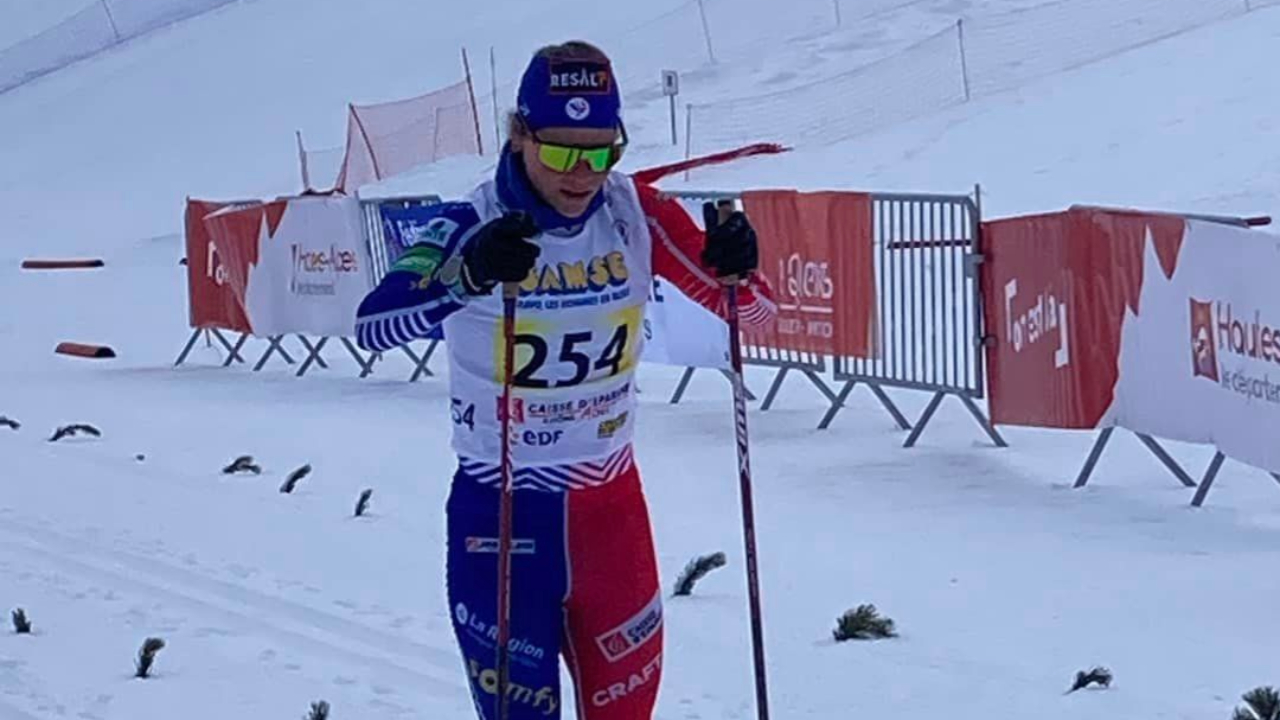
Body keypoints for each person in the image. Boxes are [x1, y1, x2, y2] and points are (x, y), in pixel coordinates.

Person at [354, 40, 775, 720]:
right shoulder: (470, 221)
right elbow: (373, 324)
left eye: (602, 150)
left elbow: (751, 313)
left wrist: (740, 267)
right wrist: (464, 277)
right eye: (560, 152)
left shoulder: (632, 213)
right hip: (499, 515)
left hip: (611, 514)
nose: (583, 173)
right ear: (519, 136)